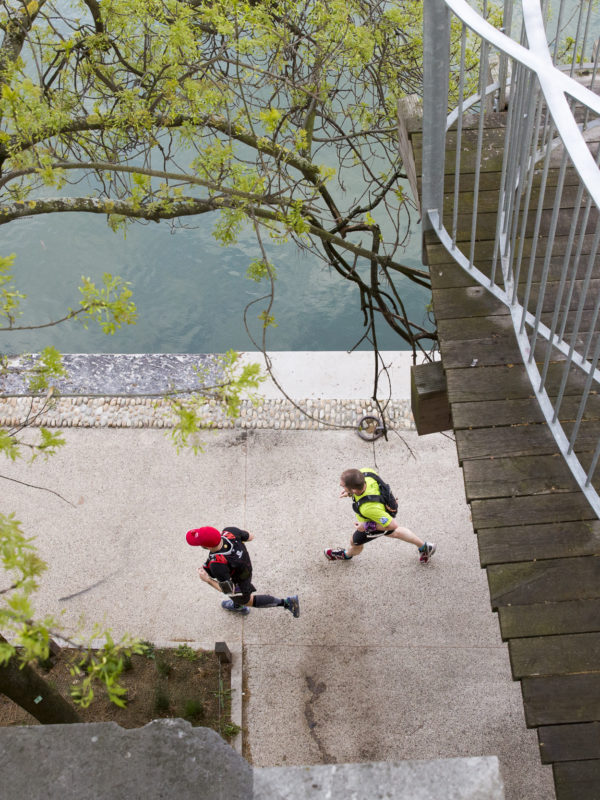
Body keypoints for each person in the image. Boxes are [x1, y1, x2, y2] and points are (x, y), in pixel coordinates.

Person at [324, 467, 436, 564]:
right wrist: (349, 493)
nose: (340, 486)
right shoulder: (365, 473)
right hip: (382, 507)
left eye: (343, 486)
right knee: (393, 534)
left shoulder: (368, 508)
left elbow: (393, 524)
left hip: (375, 519)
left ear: (354, 489)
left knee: (355, 541)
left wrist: (366, 526)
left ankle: (346, 555)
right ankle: (425, 547)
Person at [187, 525, 300, 617]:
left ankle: (287, 602)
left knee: (246, 600)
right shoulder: (230, 531)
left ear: (206, 546)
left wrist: (207, 580)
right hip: (246, 568)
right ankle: (237, 605)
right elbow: (250, 536)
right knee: (238, 597)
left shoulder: (217, 565)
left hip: (238, 583)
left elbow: (228, 590)